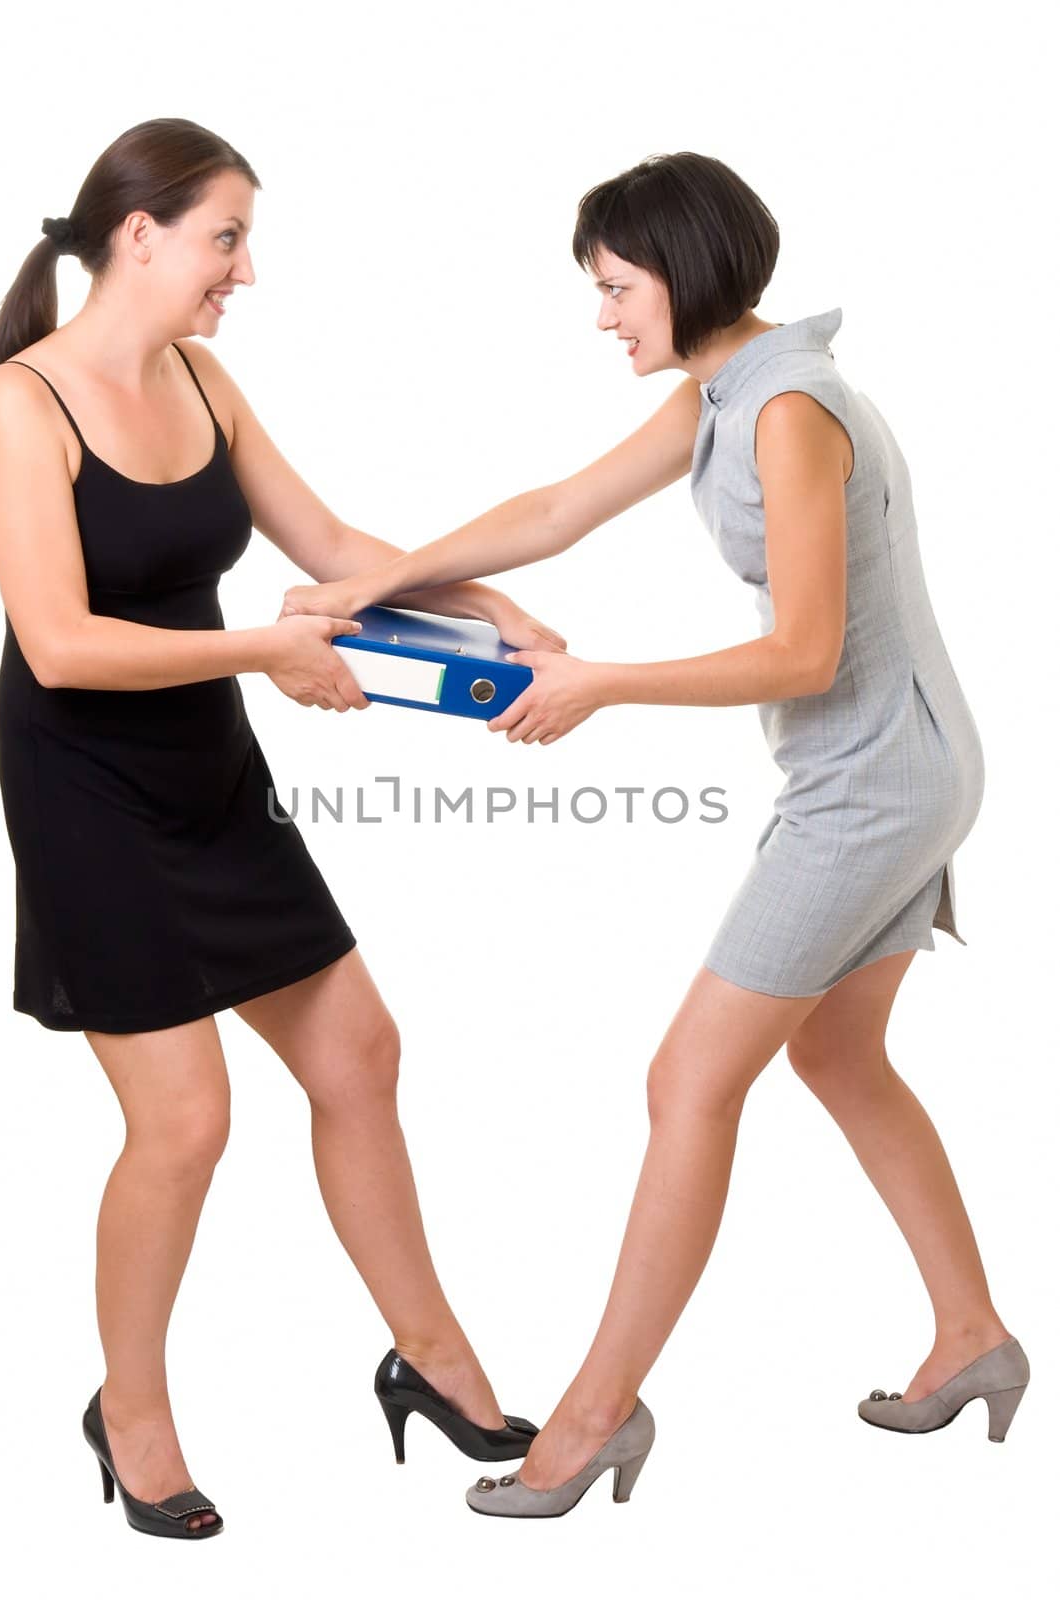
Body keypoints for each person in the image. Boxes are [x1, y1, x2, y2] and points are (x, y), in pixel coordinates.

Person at [281, 152, 1029, 1518]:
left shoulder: (789, 409)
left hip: (871, 785)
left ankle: (589, 1420)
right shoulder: (721, 391)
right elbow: (551, 514)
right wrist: (372, 579)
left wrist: (597, 683)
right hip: (889, 768)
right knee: (843, 1056)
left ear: (683, 273)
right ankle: (971, 1337)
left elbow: (801, 653)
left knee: (686, 1081)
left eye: (615, 287)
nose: (603, 315)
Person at [0, 116, 564, 1540]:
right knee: (183, 1122)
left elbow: (336, 555)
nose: (244, 271)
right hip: (83, 784)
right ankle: (131, 1413)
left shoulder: (203, 378)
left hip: (206, 764)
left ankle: (431, 1362)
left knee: (359, 1051)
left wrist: (481, 607)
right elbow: (58, 644)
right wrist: (262, 656)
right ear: (140, 234)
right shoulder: (20, 402)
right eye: (227, 238)